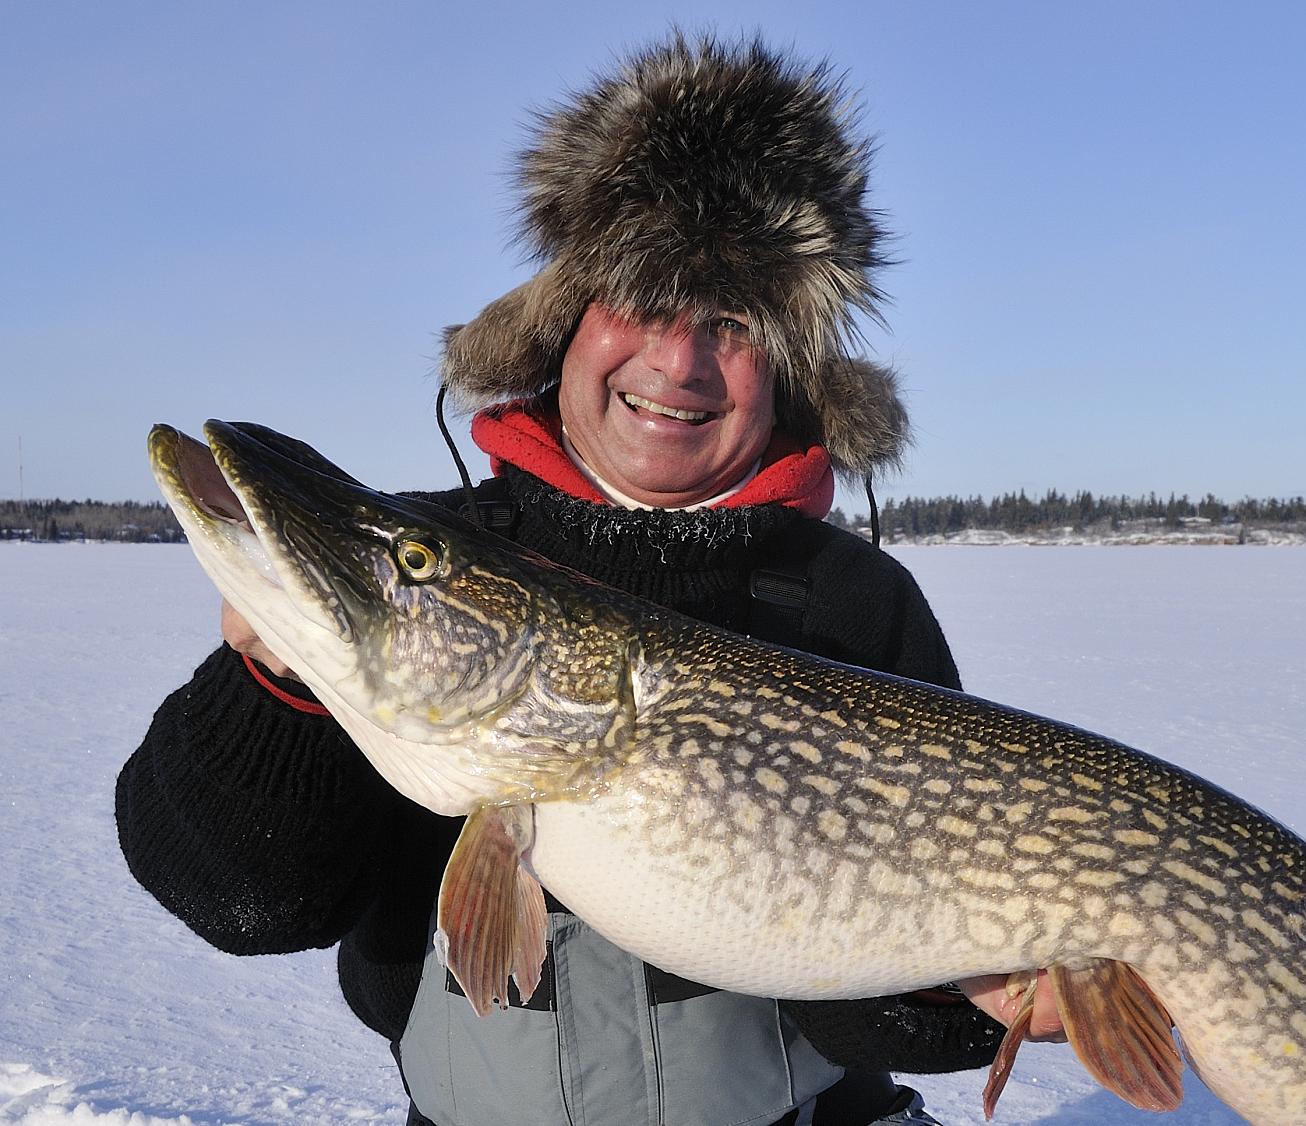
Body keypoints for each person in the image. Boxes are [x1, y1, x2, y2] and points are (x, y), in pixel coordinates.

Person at [117, 35, 1058, 1126]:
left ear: (790, 364)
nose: (678, 364)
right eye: (642, 299)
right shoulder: (449, 559)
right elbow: (238, 899)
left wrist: (969, 987)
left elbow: (897, 1014)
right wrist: (274, 679)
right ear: (564, 316)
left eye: (734, 325)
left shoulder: (852, 599)